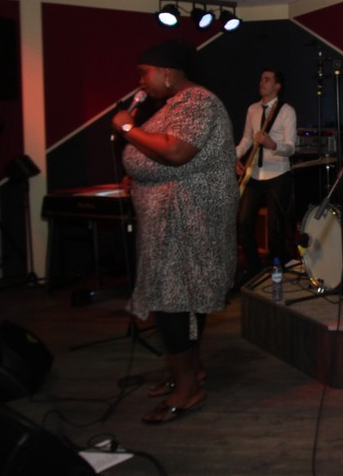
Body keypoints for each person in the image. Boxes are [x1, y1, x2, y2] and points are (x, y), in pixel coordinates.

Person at [111, 38, 238, 424]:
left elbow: (175, 151)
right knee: (183, 300)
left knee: (174, 303)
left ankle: (187, 391)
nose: (140, 81)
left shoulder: (198, 102)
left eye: (144, 73)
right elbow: (160, 155)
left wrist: (127, 127)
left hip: (187, 222)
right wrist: (139, 176)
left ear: (167, 72)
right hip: (172, 221)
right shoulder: (176, 105)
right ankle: (190, 372)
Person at [234, 67, 297, 285]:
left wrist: (272, 144)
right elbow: (246, 140)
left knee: (275, 226)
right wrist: (233, 157)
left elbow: (291, 147)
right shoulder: (252, 109)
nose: (262, 83)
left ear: (277, 86)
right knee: (243, 221)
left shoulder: (286, 111)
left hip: (278, 173)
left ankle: (278, 268)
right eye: (261, 79)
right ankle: (253, 267)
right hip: (255, 174)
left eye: (267, 80)